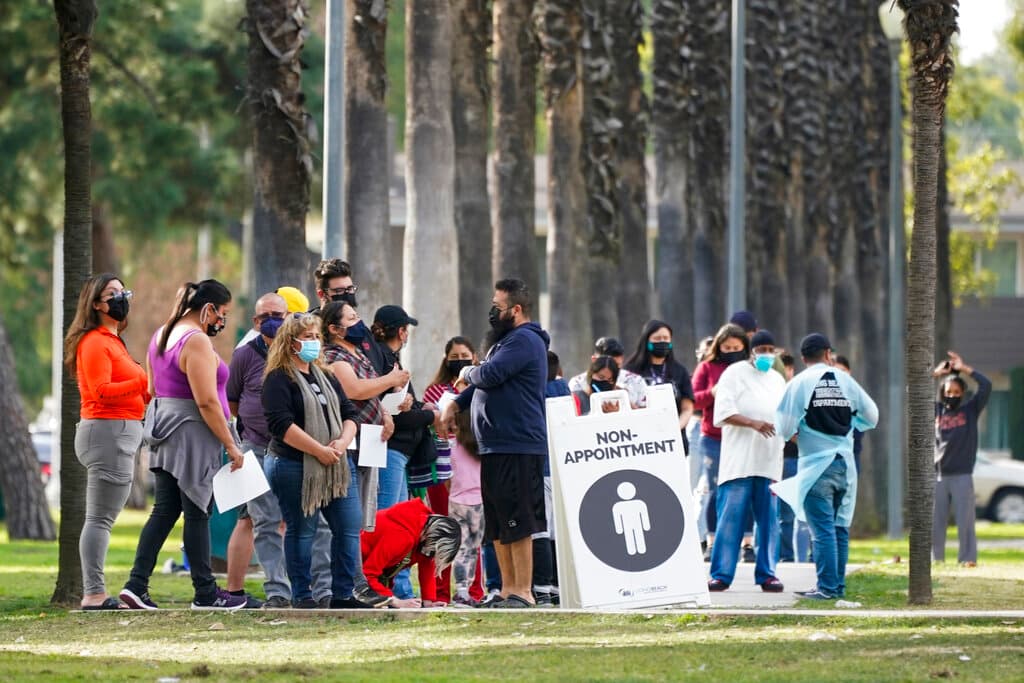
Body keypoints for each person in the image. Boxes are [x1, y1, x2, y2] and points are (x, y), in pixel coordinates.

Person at [120, 280, 247, 611]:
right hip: (192, 431)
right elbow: (206, 401)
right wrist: (230, 445)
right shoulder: (196, 341)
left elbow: (152, 385)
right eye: (223, 314)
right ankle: (205, 592)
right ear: (208, 309)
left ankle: (136, 585)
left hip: (165, 426)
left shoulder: (161, 335)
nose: (223, 321)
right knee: (197, 511)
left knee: (165, 511)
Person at [441, 278, 550, 609]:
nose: (492, 312)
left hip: (518, 443)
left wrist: (468, 373)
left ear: (516, 310)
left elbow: (489, 375)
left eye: (497, 306)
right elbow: (484, 380)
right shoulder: (504, 343)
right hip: (494, 445)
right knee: (499, 524)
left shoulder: (524, 340)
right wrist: (456, 403)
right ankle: (505, 590)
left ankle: (523, 592)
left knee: (518, 522)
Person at [262, 313, 365, 609]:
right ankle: (303, 595)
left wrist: (342, 443)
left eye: (317, 336)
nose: (314, 343)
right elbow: (280, 425)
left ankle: (344, 594)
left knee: (348, 526)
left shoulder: (327, 375)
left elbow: (350, 413)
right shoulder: (278, 378)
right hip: (294, 465)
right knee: (302, 529)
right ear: (290, 342)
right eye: (307, 337)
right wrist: (318, 450)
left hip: (336, 464)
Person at [65, 274, 148, 610]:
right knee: (99, 518)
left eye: (122, 291)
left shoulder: (114, 341)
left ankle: (94, 590)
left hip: (117, 433)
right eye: (111, 294)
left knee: (103, 517)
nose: (119, 298)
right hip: (106, 432)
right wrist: (143, 379)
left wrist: (142, 387)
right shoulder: (95, 342)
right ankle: (94, 593)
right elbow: (100, 390)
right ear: (96, 304)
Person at [774, 333, 878, 600]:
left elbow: (783, 426)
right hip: (846, 465)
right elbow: (872, 416)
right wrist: (853, 426)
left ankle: (827, 589)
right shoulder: (846, 380)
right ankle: (837, 587)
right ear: (829, 354)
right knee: (840, 528)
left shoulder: (799, 383)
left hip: (815, 467)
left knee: (821, 531)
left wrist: (797, 434)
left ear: (803, 357)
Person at [224, 292, 293, 608]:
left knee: (299, 521)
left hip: (293, 448)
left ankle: (304, 586)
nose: (272, 321)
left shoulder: (298, 352)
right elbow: (233, 400)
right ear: (255, 321)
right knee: (263, 520)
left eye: (278, 314)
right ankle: (278, 590)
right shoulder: (245, 355)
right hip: (255, 447)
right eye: (265, 317)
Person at [371, 304, 443, 602]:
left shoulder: (389, 360)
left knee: (404, 526)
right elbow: (394, 415)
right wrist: (430, 416)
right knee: (392, 526)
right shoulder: (385, 363)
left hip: (400, 454)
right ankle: (392, 591)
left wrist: (417, 408)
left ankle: (401, 589)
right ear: (400, 331)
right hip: (390, 450)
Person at [707, 331, 787, 593]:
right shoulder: (734, 373)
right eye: (760, 349)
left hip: (769, 459)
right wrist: (753, 423)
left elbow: (786, 415)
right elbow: (724, 412)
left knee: (769, 520)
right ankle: (721, 574)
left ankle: (767, 574)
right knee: (731, 518)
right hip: (739, 461)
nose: (765, 354)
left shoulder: (777, 379)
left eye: (769, 349)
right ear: (751, 351)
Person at [319, 302, 405, 530]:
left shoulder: (357, 352)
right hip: (349, 443)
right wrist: (392, 379)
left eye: (357, 316)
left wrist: (386, 414)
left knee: (366, 514)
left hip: (370, 441)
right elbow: (355, 389)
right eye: (351, 319)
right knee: (351, 515)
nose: (359, 323)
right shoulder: (333, 356)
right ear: (334, 329)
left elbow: (371, 393)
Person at [423, 337, 487, 604]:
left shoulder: (481, 388)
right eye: (454, 355)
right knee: (445, 531)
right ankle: (440, 593)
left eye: (465, 354)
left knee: (474, 535)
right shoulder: (434, 391)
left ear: (473, 358)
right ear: (446, 358)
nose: (459, 358)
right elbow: (430, 425)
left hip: (473, 467)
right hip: (442, 469)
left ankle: (474, 591)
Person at [691, 324, 753, 561]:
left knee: (745, 489)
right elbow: (694, 400)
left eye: (737, 348)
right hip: (714, 438)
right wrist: (712, 393)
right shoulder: (706, 367)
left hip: (744, 437)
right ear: (719, 347)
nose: (732, 352)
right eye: (727, 348)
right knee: (716, 491)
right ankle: (712, 542)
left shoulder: (750, 369)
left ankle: (747, 544)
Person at [933, 351, 991, 567]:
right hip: (938, 474)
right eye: (949, 391)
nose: (952, 395)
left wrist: (965, 369)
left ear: (963, 393)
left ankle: (967, 558)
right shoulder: (936, 410)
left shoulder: (970, 410)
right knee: (936, 523)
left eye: (957, 392)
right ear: (943, 392)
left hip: (962, 474)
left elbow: (986, 385)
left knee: (965, 522)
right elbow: (915, 393)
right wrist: (936, 373)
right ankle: (936, 559)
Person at [359, 499, 462, 608]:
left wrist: (429, 601)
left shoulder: (422, 528)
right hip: (352, 569)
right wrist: (393, 601)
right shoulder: (402, 536)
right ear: (431, 539)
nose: (430, 555)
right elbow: (367, 573)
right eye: (433, 552)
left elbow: (426, 564)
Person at [623, 319, 695, 450]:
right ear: (647, 341)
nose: (662, 342)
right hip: (642, 441)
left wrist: (674, 428)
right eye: (657, 338)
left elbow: (687, 408)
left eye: (666, 338)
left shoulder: (679, 371)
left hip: (674, 440)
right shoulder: (631, 370)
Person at [312, 258, 388, 375]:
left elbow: (382, 366)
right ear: (322, 294)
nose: (347, 294)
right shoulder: (311, 328)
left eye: (350, 289)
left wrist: (395, 387)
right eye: (339, 290)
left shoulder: (361, 328)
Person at [447, 407, 485, 607]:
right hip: (479, 502)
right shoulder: (481, 448)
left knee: (461, 548)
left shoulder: (451, 446)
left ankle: (461, 590)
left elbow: (447, 477)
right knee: (475, 548)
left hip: (456, 501)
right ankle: (471, 589)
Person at [776, 351, 810, 564]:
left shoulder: (800, 392)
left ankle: (803, 558)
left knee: (804, 514)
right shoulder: (773, 393)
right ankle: (786, 557)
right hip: (783, 459)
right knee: (785, 515)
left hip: (801, 457)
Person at [568, 337, 645, 408]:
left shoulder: (635, 381)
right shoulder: (577, 383)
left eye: (616, 365)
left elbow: (646, 414)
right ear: (594, 360)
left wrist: (626, 406)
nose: (612, 370)